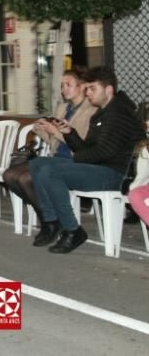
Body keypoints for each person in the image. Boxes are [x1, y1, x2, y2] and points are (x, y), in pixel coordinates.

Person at [29, 67, 142, 253]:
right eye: (87, 88)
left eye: (92, 88)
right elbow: (88, 148)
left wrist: (77, 156)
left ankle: (73, 230)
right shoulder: (102, 112)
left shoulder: (119, 114)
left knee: (51, 172)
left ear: (108, 90)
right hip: (97, 167)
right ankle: (51, 221)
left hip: (114, 174)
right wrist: (70, 133)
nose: (88, 93)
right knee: (37, 164)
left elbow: (104, 152)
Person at [3, 70, 95, 218]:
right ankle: (46, 214)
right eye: (62, 85)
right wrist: (42, 129)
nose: (64, 89)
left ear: (81, 86)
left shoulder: (90, 111)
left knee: (25, 178)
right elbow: (54, 142)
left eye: (68, 85)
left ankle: (49, 219)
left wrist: (55, 131)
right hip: (55, 157)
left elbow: (81, 143)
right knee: (9, 175)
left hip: (74, 159)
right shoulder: (63, 108)